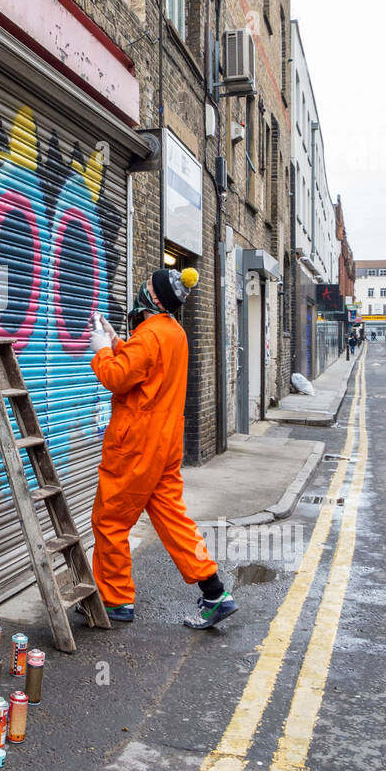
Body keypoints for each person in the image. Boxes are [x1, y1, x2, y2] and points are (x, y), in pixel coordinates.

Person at [86, 267, 237, 631]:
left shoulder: (149, 334)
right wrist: (119, 344)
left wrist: (103, 351)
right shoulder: (174, 333)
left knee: (110, 520)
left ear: (151, 297)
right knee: (173, 518)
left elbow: (117, 378)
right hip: (166, 444)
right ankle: (215, 591)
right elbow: (147, 372)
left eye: (145, 286)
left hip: (136, 444)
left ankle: (115, 599)